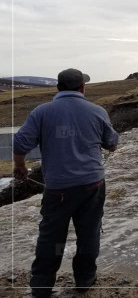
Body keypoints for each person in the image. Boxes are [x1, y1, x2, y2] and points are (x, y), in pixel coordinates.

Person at [13, 68, 119, 297]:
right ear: (82, 88)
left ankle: (41, 288)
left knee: (52, 238)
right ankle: (84, 280)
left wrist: (20, 167)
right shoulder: (97, 111)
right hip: (93, 185)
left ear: (58, 88)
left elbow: (20, 143)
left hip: (58, 189)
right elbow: (112, 143)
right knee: (89, 234)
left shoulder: (41, 112)